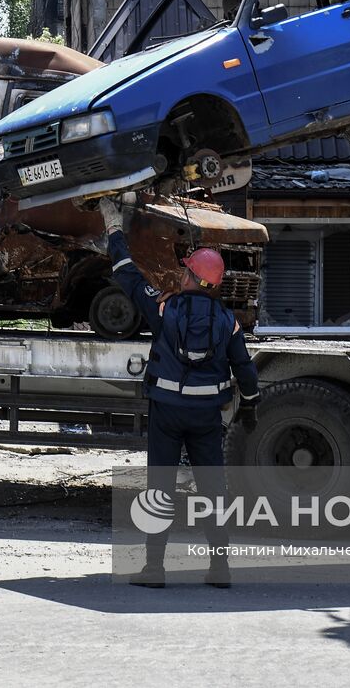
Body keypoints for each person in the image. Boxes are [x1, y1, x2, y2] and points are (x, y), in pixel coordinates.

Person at [98, 197, 260, 589]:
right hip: (206, 418)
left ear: (191, 278)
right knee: (212, 490)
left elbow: (127, 275)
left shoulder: (164, 309)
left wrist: (115, 229)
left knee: (160, 488)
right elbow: (245, 370)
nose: (181, 274)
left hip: (167, 413)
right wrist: (251, 405)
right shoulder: (228, 322)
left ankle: (155, 568)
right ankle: (219, 568)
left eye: (185, 271)